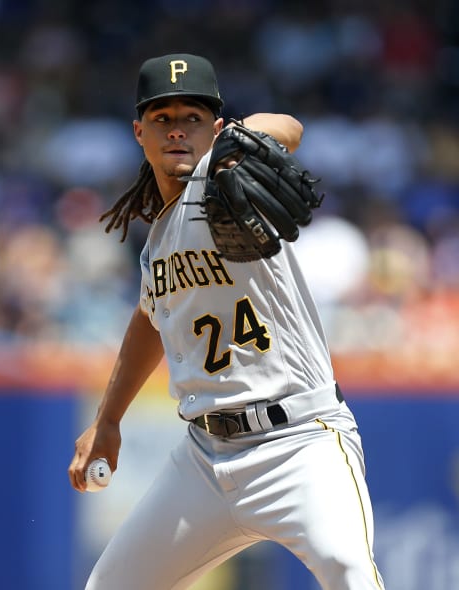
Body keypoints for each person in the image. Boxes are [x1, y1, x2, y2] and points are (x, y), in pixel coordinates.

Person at [68, 53, 385, 590]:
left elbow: (287, 128)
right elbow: (150, 318)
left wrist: (236, 144)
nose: (177, 130)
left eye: (192, 117)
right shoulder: (158, 241)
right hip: (204, 459)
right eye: (163, 118)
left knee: (349, 571)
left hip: (299, 443)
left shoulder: (225, 185)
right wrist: (109, 419)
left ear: (214, 128)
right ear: (139, 132)